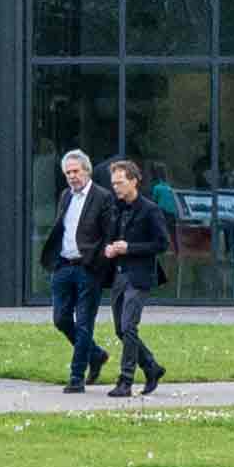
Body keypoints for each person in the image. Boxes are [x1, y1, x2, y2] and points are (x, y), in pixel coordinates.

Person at [90, 157, 171, 397]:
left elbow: (162, 243)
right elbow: (112, 236)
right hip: (118, 275)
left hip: (139, 276)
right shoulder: (116, 208)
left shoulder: (150, 210)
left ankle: (125, 380)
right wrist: (110, 248)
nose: (116, 187)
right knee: (120, 329)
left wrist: (129, 248)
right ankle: (151, 367)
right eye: (114, 183)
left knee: (128, 326)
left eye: (120, 182)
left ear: (134, 181)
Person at [44, 148, 111, 395]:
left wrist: (96, 262)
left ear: (87, 171)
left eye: (75, 171)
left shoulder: (102, 197)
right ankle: (95, 354)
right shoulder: (66, 196)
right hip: (63, 266)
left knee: (84, 324)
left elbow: (108, 234)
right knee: (61, 319)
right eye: (68, 172)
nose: (72, 176)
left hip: (88, 268)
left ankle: (76, 376)